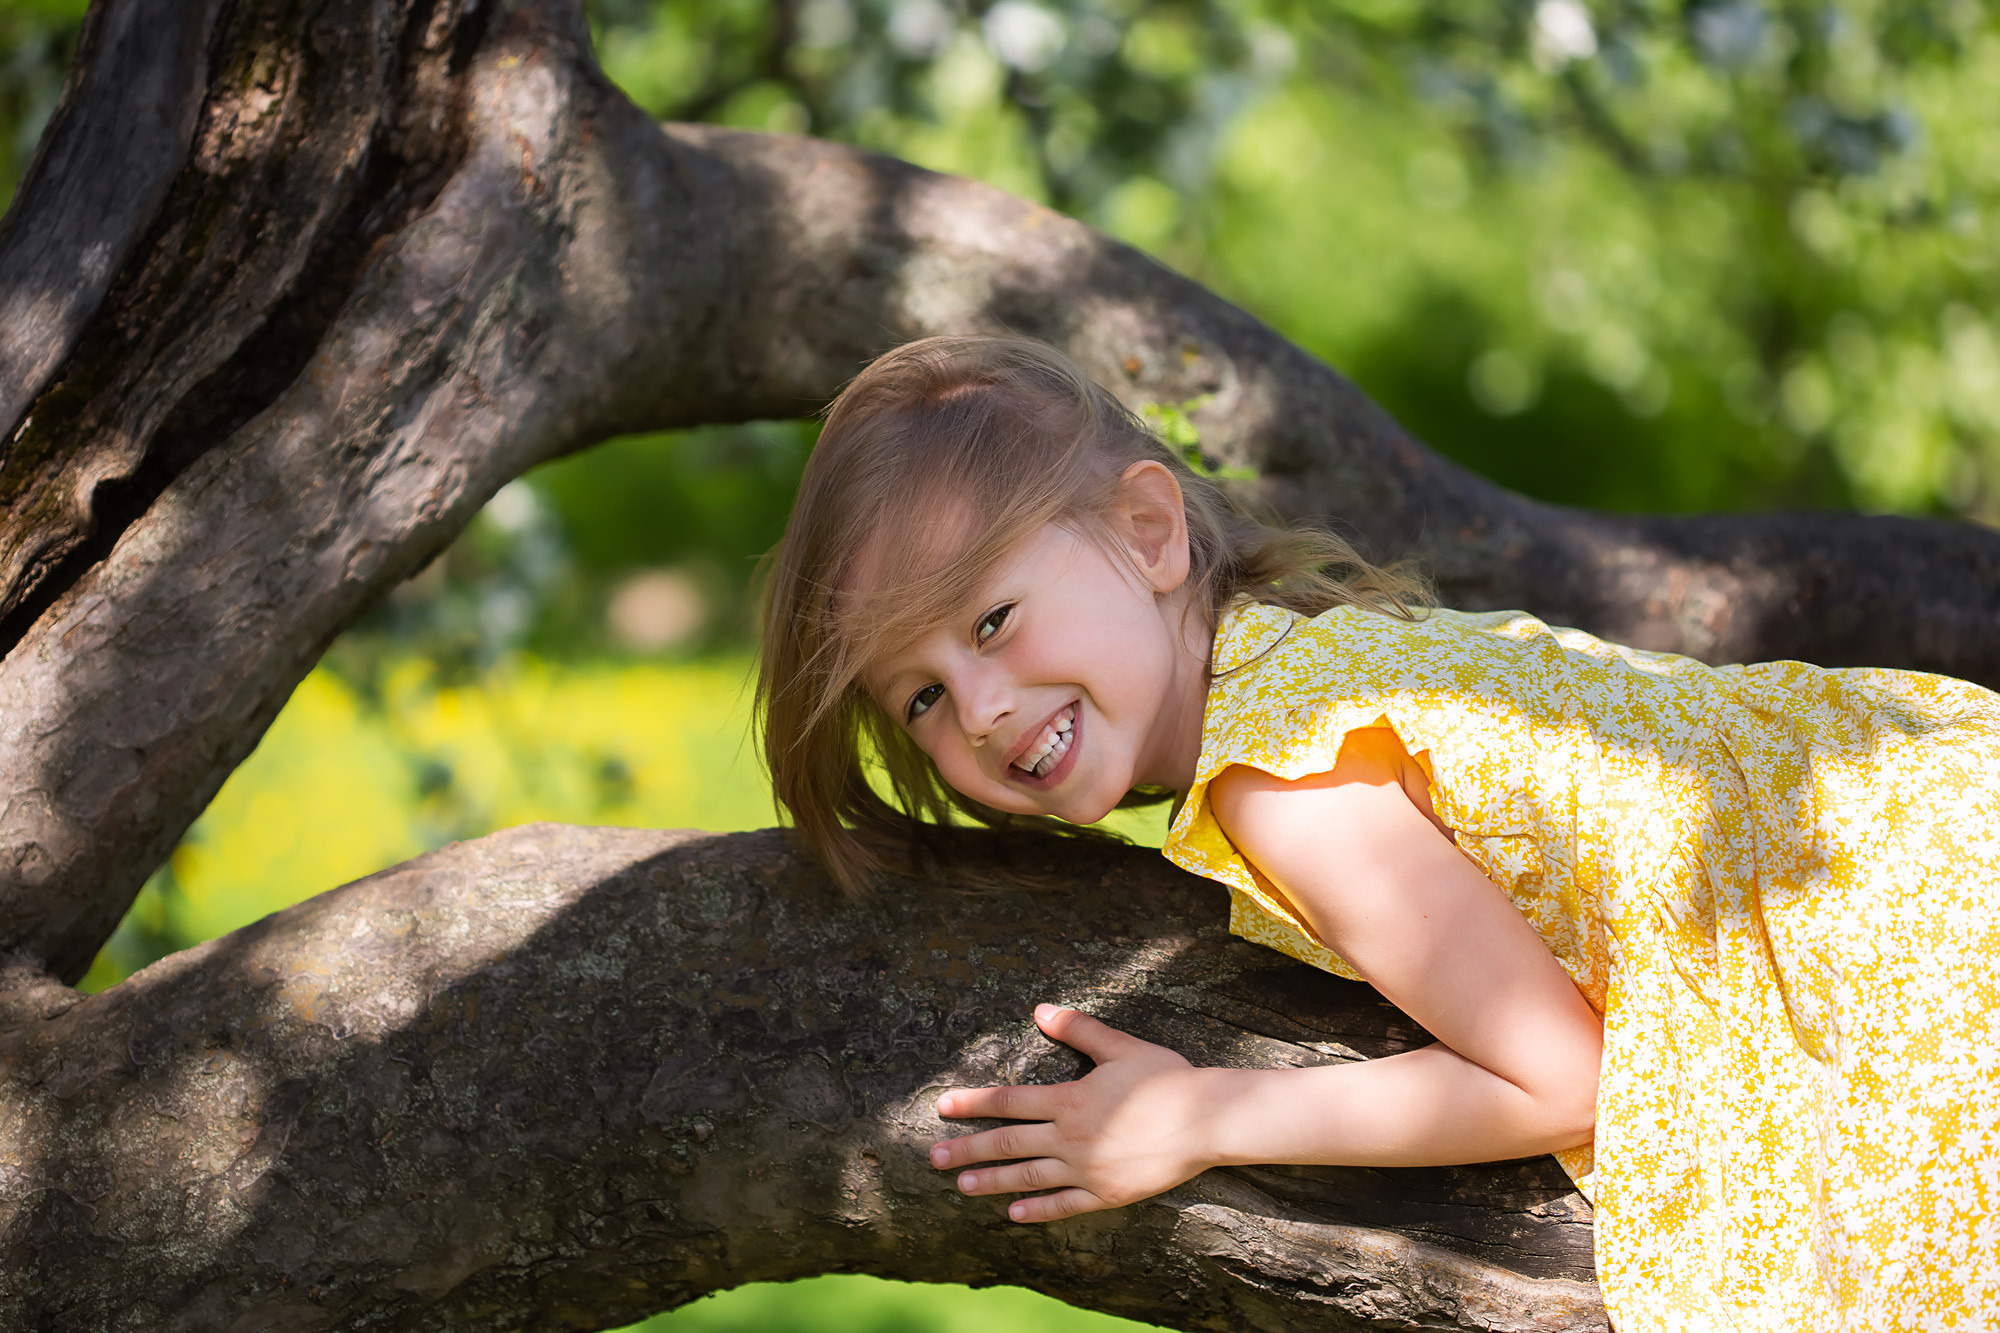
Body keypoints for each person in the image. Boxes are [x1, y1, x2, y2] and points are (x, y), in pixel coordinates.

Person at [753, 333, 2000, 1332]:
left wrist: (1203, 1117)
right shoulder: (1302, 658)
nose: (977, 710)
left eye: (989, 621)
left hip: (1904, 927)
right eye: (916, 696)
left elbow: (1559, 1076)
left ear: (1147, 534)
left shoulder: (1278, 775)